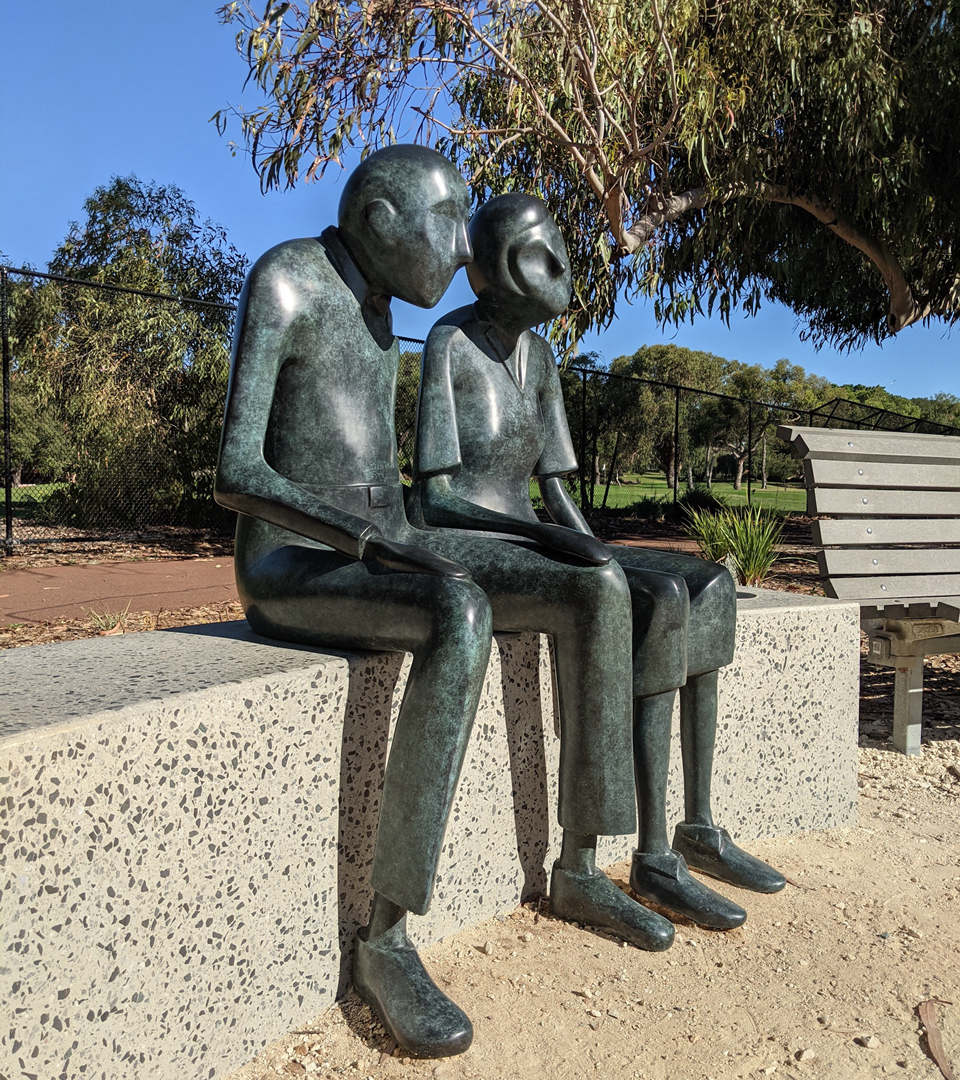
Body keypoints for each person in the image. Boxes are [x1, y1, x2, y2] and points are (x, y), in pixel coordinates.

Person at [216, 149, 670, 1060]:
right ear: (383, 222)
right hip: (296, 564)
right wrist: (367, 542)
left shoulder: (385, 314)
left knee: (592, 587)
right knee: (458, 611)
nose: (468, 247)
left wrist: (415, 537)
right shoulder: (285, 281)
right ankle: (385, 939)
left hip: (390, 543)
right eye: (451, 220)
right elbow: (238, 473)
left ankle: (580, 865)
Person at [409, 193, 785, 935]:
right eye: (536, 252)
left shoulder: (541, 357)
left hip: (534, 534)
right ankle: (580, 865)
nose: (558, 266)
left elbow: (555, 491)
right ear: (492, 269)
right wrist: (568, 549)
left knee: (703, 584)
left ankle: (683, 836)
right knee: (607, 585)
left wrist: (588, 541)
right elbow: (437, 496)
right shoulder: (449, 344)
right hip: (470, 536)